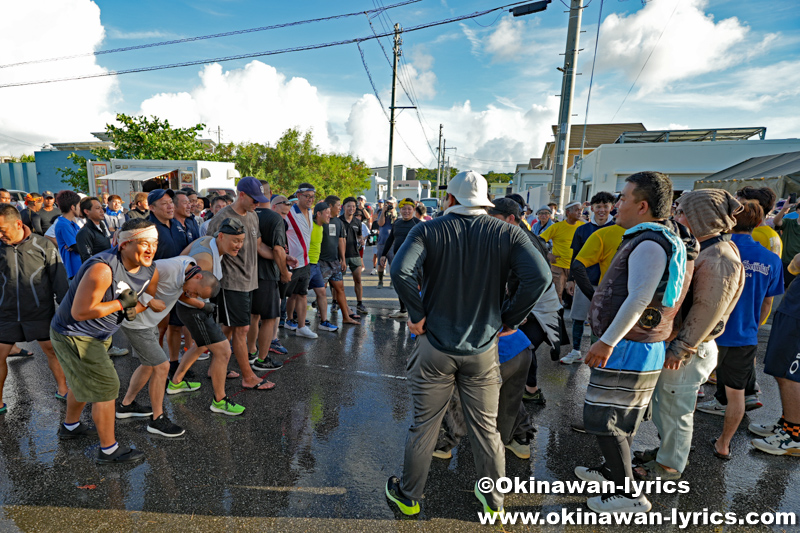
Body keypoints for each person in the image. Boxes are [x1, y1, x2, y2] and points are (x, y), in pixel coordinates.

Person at [385, 170, 550, 517]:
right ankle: (494, 502)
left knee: (424, 425)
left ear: (449, 199)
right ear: (486, 202)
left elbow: (400, 270)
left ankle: (409, 496)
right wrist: (510, 317)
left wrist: (416, 313)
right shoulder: (506, 231)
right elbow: (540, 276)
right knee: (486, 428)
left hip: (435, 346)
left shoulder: (428, 229)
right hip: (483, 348)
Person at [576, 171, 696, 513]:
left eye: (623, 198)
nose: (616, 205)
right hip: (635, 344)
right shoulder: (657, 237)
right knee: (618, 419)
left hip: (630, 345)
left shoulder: (649, 242)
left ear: (642, 206)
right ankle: (615, 478)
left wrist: (607, 341)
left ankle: (628, 496)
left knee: (605, 420)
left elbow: (640, 297)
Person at [631, 189, 745, 481]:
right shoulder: (707, 247)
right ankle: (666, 453)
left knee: (675, 411)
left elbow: (707, 309)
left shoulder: (719, 256)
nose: (676, 217)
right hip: (685, 347)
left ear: (702, 217)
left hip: (689, 350)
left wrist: (681, 347)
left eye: (682, 213)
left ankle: (669, 466)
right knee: (666, 408)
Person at [50, 219, 160, 464]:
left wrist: (145, 303)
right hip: (75, 333)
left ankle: (70, 427)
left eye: (154, 243)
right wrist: (124, 303)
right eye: (144, 243)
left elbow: (144, 291)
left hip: (99, 334)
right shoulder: (103, 269)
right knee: (106, 387)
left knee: (83, 382)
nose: (151, 249)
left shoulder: (148, 267)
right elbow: (80, 312)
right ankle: (109, 450)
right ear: (124, 244)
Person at [697, 202, 784, 459]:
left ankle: (677, 443)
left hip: (706, 332)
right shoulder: (771, 259)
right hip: (743, 336)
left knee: (691, 388)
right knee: (737, 395)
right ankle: (724, 444)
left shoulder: (716, 250)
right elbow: (768, 302)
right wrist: (753, 327)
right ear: (759, 224)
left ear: (730, 221)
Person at [118, 255, 219, 437]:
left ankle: (126, 405)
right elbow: (135, 277)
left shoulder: (189, 270)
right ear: (198, 277)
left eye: (198, 296)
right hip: (137, 324)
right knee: (162, 366)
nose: (193, 296)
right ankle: (157, 420)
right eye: (196, 293)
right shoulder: (170, 269)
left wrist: (201, 305)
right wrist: (149, 300)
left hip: (149, 323)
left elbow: (181, 293)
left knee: (148, 365)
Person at [170, 218, 250, 415]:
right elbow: (182, 288)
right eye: (234, 240)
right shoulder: (205, 259)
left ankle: (176, 383)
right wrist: (200, 305)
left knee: (201, 344)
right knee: (223, 351)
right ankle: (219, 400)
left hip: (193, 307)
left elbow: (180, 259)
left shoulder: (207, 239)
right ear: (221, 236)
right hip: (193, 308)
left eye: (241, 240)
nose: (238, 245)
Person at [206, 177, 275, 390]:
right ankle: (248, 376)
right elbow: (209, 248)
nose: (258, 203)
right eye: (254, 199)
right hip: (231, 282)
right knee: (241, 329)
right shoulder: (222, 217)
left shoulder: (253, 216)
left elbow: (257, 245)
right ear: (241, 194)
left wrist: (279, 258)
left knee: (228, 327)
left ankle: (214, 367)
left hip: (249, 281)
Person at [0, 204, 70, 413]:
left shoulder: (43, 245)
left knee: (52, 351)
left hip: (40, 311)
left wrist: (66, 311)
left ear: (18, 224)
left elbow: (59, 279)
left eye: (3, 229)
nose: (0, 234)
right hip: (6, 313)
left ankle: (63, 388)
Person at [751, 251, 800, 455]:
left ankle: (794, 435)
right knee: (781, 370)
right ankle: (787, 424)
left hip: (797, 314)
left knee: (791, 374)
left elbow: (796, 263)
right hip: (793, 308)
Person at [561, 192, 616, 365]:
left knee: (602, 320)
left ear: (611, 208)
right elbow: (575, 256)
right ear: (591, 208)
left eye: (605, 207)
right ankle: (576, 351)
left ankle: (599, 354)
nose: (601, 210)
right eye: (598, 207)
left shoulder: (617, 228)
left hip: (609, 284)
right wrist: (571, 279)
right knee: (577, 317)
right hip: (584, 282)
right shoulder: (582, 229)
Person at [249, 182, 291, 369]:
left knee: (253, 316)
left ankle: (251, 352)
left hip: (247, 273)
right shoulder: (275, 218)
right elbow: (277, 249)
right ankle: (262, 359)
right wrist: (284, 272)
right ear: (270, 194)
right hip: (266, 274)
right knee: (269, 318)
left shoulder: (247, 215)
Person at [283, 183, 318, 339]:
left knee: (301, 294)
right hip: (290, 262)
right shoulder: (289, 212)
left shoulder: (310, 211)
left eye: (312, 196)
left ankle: (301, 326)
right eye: (307, 196)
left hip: (305, 261)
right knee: (282, 295)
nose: (310, 199)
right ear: (298, 195)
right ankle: (283, 323)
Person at [322, 195, 360, 323]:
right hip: (321, 262)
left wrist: (343, 259)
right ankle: (322, 319)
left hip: (335, 261)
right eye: (338, 206)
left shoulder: (338, 222)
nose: (340, 208)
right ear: (330, 206)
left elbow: (341, 240)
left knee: (340, 289)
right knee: (321, 290)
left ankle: (346, 317)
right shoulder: (320, 220)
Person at [380, 198, 420, 319]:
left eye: (409, 209)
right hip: (398, 259)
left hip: (414, 261)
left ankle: (417, 312)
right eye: (403, 209)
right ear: (400, 210)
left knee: (416, 287)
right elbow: (390, 239)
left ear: (413, 209)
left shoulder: (418, 224)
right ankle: (403, 310)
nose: (406, 211)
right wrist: (383, 254)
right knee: (399, 285)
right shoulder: (397, 223)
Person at [540, 200, 584, 303]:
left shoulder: (583, 227)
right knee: (555, 296)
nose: (580, 212)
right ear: (568, 212)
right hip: (558, 267)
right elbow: (539, 241)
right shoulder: (557, 227)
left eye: (581, 210)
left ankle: (575, 319)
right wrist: (547, 254)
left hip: (577, 267)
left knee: (577, 297)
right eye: (577, 210)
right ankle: (557, 318)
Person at [307, 201, 340, 332]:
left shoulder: (321, 227)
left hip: (316, 265)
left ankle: (324, 322)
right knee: (298, 295)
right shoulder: (310, 225)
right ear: (318, 214)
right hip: (306, 265)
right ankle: (293, 320)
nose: (329, 216)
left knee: (322, 293)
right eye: (327, 213)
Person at [340, 197, 367, 315]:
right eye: (349, 206)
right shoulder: (338, 221)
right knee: (338, 282)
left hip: (355, 255)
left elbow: (360, 236)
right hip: (342, 256)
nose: (352, 208)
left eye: (354, 206)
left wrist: (361, 241)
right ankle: (336, 303)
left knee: (358, 280)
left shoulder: (358, 222)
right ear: (344, 207)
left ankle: (360, 303)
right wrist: (341, 258)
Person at [53, 190, 84, 279]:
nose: (79, 209)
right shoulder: (63, 225)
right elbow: (77, 247)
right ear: (72, 207)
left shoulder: (71, 223)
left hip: (81, 267)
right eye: (78, 206)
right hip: (75, 270)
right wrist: (79, 245)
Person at [772, 199, 800, 289]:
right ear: (798, 210)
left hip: (797, 266)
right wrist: (784, 209)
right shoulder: (789, 222)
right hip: (783, 263)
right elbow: (776, 222)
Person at [76, 196, 113, 262]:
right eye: (97, 208)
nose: (102, 211)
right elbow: (87, 259)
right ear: (87, 211)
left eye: (101, 208)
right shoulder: (84, 233)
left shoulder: (103, 227)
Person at [375, 196, 397, 289]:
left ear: (395, 204)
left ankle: (392, 281)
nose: (389, 205)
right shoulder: (381, 212)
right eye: (388, 203)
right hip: (382, 242)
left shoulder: (397, 214)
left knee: (392, 264)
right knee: (381, 263)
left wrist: (393, 214)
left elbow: (396, 225)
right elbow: (380, 224)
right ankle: (380, 281)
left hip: (393, 243)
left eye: (391, 204)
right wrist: (383, 212)